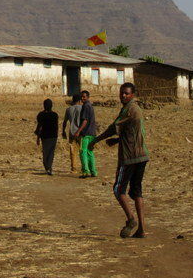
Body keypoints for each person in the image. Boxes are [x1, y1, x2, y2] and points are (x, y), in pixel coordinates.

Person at [90, 83, 149, 238]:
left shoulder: (129, 109)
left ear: (133, 95)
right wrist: (116, 141)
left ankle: (131, 219)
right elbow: (131, 132)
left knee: (118, 189)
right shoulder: (135, 110)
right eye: (122, 93)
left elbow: (113, 127)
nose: (123, 96)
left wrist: (96, 140)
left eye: (126, 93)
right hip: (142, 155)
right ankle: (142, 229)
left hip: (130, 157)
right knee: (137, 191)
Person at [73, 90, 97, 178]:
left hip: (86, 133)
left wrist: (78, 131)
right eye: (82, 97)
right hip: (92, 133)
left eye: (84, 97)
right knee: (90, 152)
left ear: (87, 97)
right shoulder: (90, 106)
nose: (82, 98)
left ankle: (85, 171)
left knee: (83, 151)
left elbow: (85, 120)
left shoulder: (85, 106)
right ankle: (93, 171)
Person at [34, 98, 59, 175]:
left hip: (44, 137)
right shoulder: (55, 115)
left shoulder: (41, 115)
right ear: (51, 106)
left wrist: (38, 138)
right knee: (51, 152)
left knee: (45, 152)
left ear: (44, 106)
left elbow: (39, 126)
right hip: (53, 136)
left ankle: (47, 167)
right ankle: (49, 167)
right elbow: (56, 126)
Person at [61, 93, 82, 173]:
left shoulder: (68, 109)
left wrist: (63, 131)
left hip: (72, 132)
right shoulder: (82, 108)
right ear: (80, 100)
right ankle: (84, 166)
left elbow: (65, 122)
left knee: (72, 150)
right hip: (80, 132)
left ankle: (74, 168)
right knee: (82, 150)